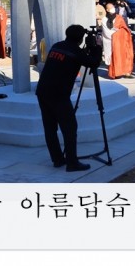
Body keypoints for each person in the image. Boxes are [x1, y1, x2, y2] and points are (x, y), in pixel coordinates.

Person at [35, 24, 101, 171]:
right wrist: (97, 48)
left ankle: (57, 159)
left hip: (43, 91)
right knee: (70, 128)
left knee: (50, 128)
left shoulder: (57, 46)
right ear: (80, 38)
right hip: (58, 94)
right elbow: (94, 63)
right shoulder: (76, 52)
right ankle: (72, 163)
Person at [106, 2, 134, 79]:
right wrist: (114, 32)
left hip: (121, 39)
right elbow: (106, 30)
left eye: (113, 7)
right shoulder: (105, 19)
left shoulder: (119, 17)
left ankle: (126, 72)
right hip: (111, 40)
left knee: (124, 55)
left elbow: (124, 26)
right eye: (111, 8)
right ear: (107, 9)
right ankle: (116, 73)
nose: (113, 9)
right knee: (115, 56)